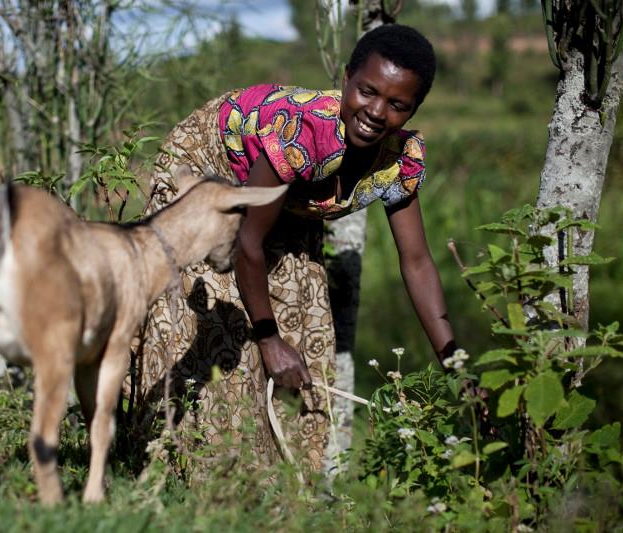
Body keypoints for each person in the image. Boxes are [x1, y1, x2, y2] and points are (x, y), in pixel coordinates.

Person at [126, 24, 456, 474]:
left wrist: (455, 364)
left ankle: (281, 486)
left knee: (305, 324)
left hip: (285, 203)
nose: (376, 112)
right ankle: (175, 469)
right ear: (345, 80)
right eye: (367, 91)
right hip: (206, 173)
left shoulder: (400, 160)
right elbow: (247, 242)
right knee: (228, 335)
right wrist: (268, 338)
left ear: (414, 108)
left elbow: (416, 262)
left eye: (397, 104)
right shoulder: (305, 135)